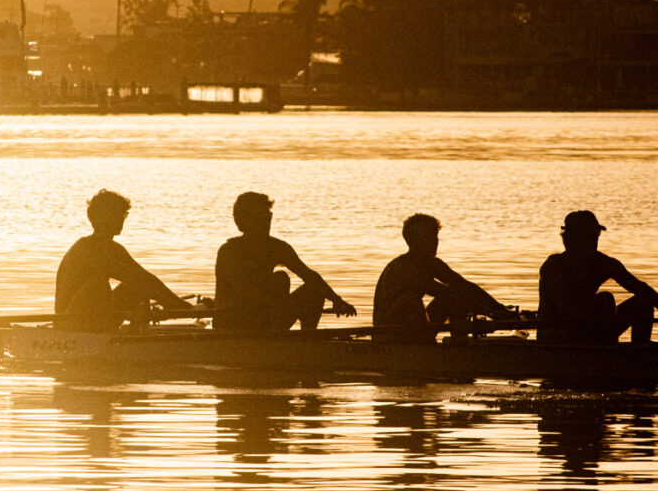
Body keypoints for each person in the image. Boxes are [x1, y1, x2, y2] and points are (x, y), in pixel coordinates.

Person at [213, 192, 356, 331]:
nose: (266, 221)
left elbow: (310, 276)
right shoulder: (229, 252)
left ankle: (308, 340)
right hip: (232, 322)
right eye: (260, 218)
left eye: (268, 216)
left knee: (312, 290)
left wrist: (337, 300)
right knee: (280, 280)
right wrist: (275, 304)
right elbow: (243, 290)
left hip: (266, 317)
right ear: (244, 221)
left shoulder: (277, 248)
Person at [55, 190, 191, 332]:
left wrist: (180, 304)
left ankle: (136, 334)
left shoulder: (115, 249)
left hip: (91, 317)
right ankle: (115, 338)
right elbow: (131, 277)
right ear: (100, 217)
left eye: (124, 214)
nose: (121, 219)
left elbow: (146, 278)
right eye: (117, 214)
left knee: (135, 289)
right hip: (69, 326)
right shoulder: (88, 249)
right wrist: (171, 304)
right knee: (99, 286)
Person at [373, 213, 510, 343]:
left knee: (455, 295)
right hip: (388, 335)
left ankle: (459, 344)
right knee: (411, 300)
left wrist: (500, 309)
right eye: (430, 237)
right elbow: (446, 293)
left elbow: (466, 287)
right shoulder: (403, 268)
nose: (436, 241)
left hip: (411, 327)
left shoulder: (433, 264)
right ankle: (434, 348)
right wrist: (491, 313)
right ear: (414, 240)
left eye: (436, 236)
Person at [538, 210, 657, 345]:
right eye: (588, 236)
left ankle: (641, 351)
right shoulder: (554, 266)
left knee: (644, 301)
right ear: (572, 238)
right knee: (605, 299)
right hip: (556, 333)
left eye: (596, 235)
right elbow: (566, 308)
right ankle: (607, 349)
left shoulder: (603, 263)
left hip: (592, 328)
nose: (594, 240)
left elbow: (641, 289)